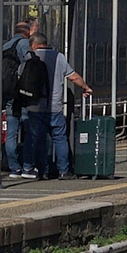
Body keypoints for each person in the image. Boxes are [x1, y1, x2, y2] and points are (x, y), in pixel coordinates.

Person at [24, 27, 92, 180]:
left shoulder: (29, 57)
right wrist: (86, 87)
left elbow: (21, 79)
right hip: (55, 106)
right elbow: (73, 77)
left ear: (34, 45)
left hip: (35, 106)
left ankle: (43, 170)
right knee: (60, 137)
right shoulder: (59, 57)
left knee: (37, 138)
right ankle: (63, 171)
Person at [3, 21, 32, 178]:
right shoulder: (24, 44)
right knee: (29, 130)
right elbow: (30, 65)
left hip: (9, 95)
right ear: (27, 32)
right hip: (24, 94)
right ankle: (27, 167)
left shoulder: (5, 46)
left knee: (11, 133)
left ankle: (14, 168)